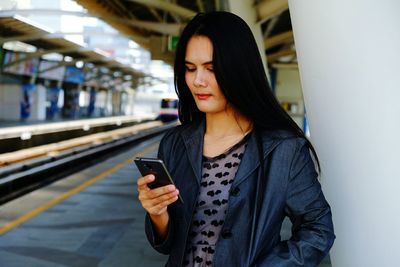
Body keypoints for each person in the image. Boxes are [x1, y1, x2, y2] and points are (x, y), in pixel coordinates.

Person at [137, 11, 335, 267]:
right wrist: (157, 213)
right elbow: (167, 243)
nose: (197, 81)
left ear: (239, 69)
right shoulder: (175, 143)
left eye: (211, 68)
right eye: (190, 68)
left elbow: (318, 230)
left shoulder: (284, 150)